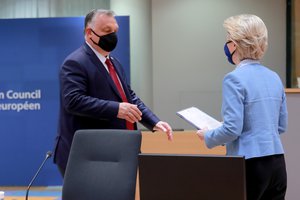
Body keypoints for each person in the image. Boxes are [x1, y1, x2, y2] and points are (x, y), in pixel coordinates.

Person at [53, 9, 173, 177]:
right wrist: (117, 109)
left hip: (118, 151)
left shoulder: (114, 62)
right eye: (107, 31)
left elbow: (129, 97)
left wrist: (153, 121)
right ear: (89, 33)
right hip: (87, 155)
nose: (113, 36)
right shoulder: (75, 62)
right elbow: (73, 101)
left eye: (115, 31)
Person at [196, 14, 288, 200]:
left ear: (235, 45)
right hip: (277, 164)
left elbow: (232, 129)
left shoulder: (234, 79)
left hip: (249, 165)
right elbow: (280, 125)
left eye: (227, 39)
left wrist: (209, 136)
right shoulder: (274, 77)